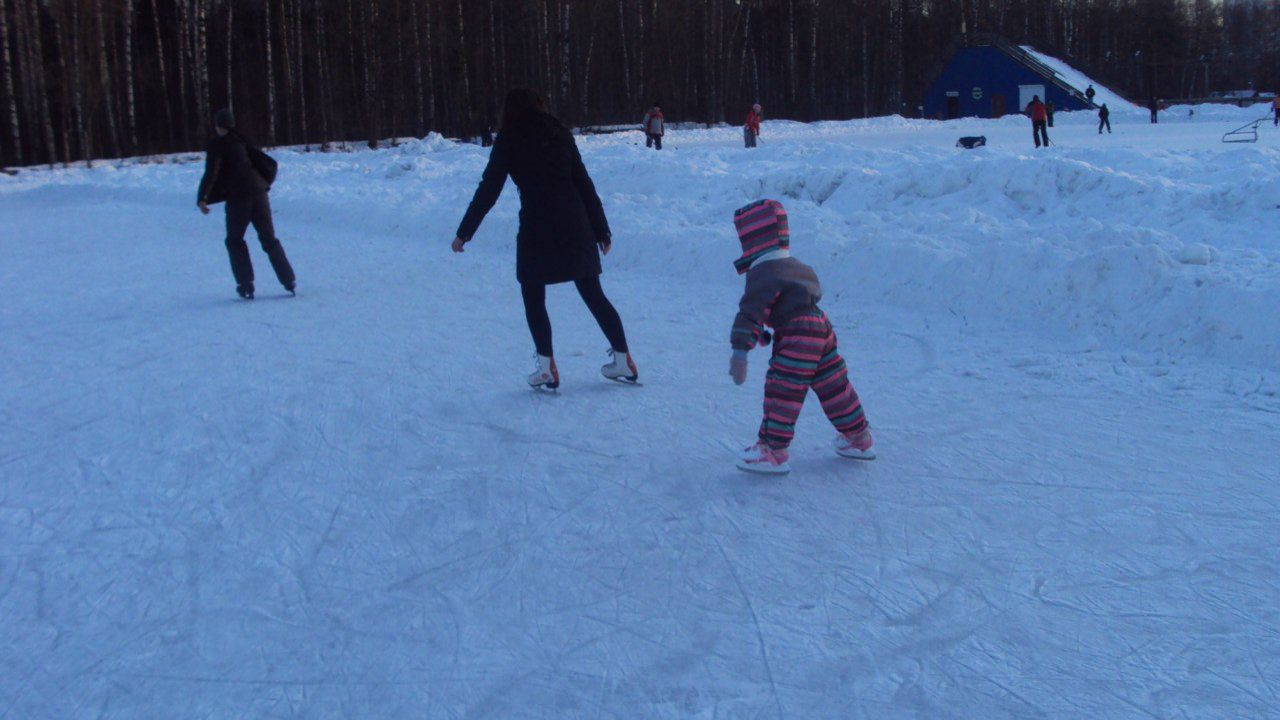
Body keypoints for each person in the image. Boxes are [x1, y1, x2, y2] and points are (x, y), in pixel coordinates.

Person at [452, 88, 636, 390]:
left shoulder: (510, 137)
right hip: (576, 222)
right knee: (592, 292)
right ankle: (622, 358)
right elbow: (583, 182)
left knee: (533, 293)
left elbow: (490, 188)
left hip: (538, 224)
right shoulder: (559, 132)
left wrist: (464, 232)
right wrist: (601, 229)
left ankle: (547, 366)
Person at [728, 199, 873, 474]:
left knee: (783, 388)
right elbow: (786, 303)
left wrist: (740, 351)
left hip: (796, 334)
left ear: (751, 240)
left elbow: (751, 312)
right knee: (834, 384)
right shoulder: (796, 265)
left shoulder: (762, 272)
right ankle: (858, 436)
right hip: (820, 325)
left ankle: (772, 448)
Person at [197, 108, 295, 299]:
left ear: (218, 126)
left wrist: (203, 197)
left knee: (234, 240)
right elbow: (264, 162)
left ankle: (246, 283)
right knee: (269, 238)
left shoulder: (218, 145)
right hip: (259, 193)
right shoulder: (243, 140)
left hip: (238, 198)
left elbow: (212, 172)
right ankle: (288, 279)